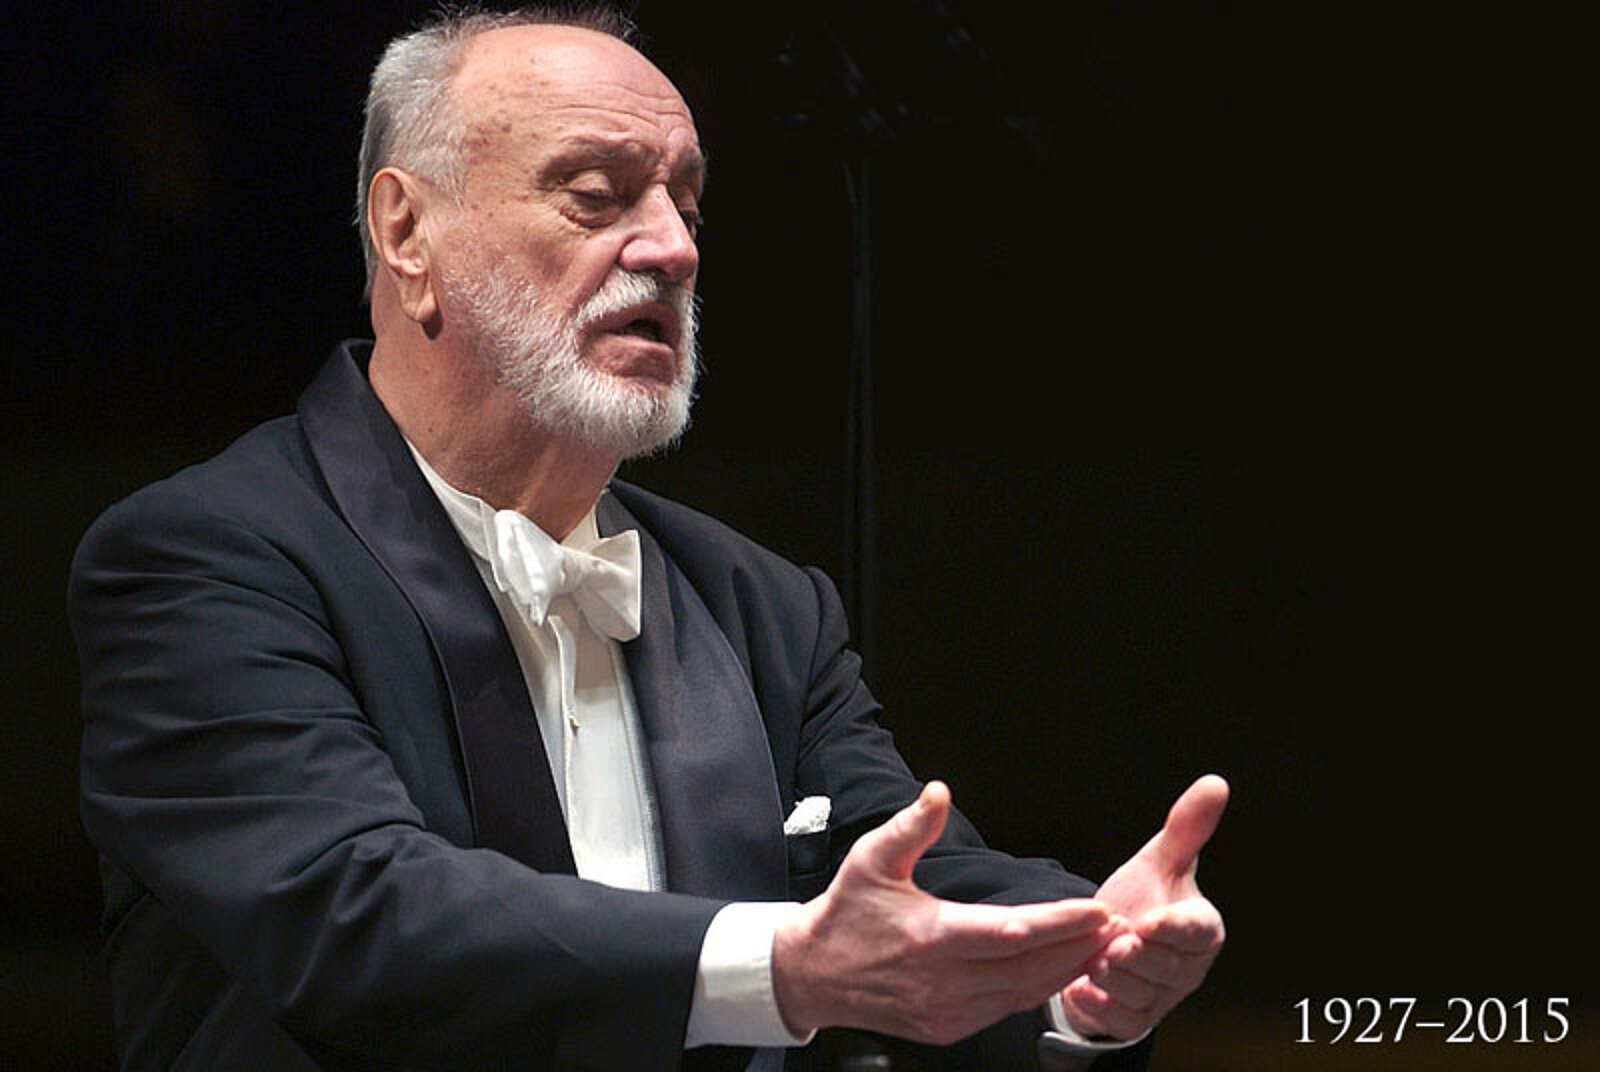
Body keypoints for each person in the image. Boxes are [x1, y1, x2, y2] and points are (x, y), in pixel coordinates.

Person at [70, 7, 1226, 1070]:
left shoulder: (760, 603)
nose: (673, 248)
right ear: (407, 230)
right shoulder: (201, 560)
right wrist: (780, 965)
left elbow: (909, 894)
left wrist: (1082, 959)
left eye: (686, 202)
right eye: (597, 194)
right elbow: (358, 914)